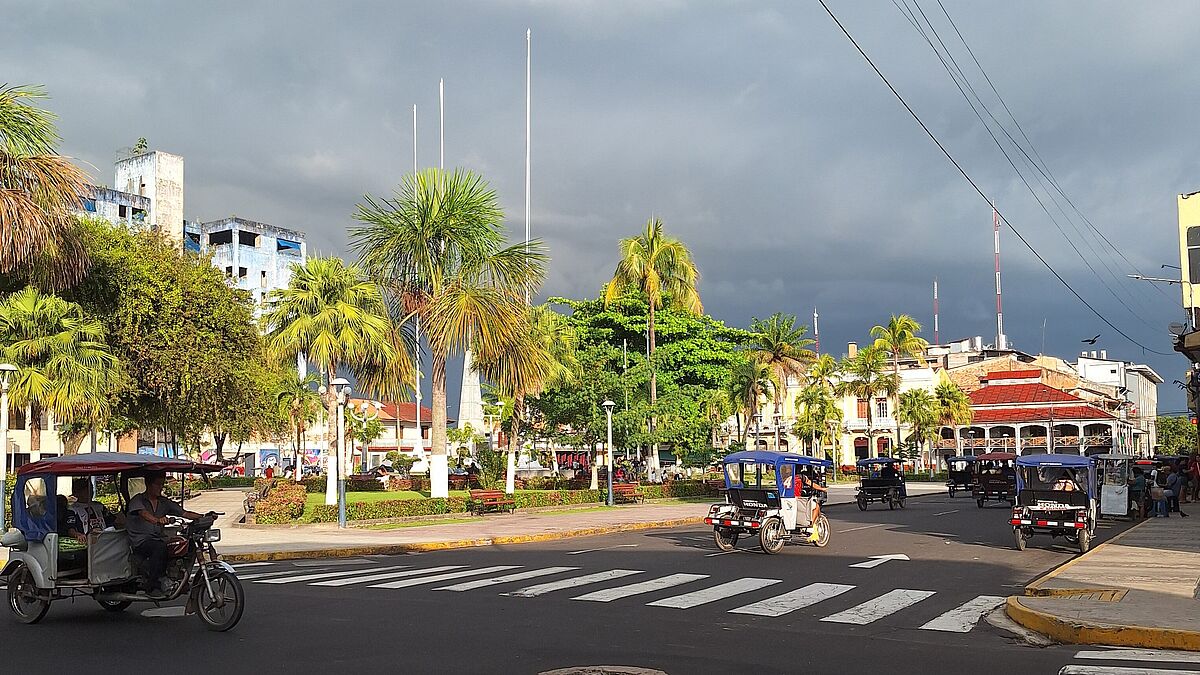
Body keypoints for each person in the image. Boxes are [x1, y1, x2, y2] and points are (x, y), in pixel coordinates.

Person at [127, 472, 207, 595]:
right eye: (158, 484)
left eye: (162, 484)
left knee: (181, 544)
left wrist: (204, 517)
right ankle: (153, 584)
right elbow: (144, 514)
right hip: (141, 541)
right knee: (159, 547)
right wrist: (158, 520)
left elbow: (184, 513)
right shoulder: (138, 500)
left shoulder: (164, 502)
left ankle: (178, 578)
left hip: (158, 538)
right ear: (148, 484)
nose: (161, 487)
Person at [64, 478, 123, 545]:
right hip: (87, 542)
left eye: (91, 488)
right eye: (86, 489)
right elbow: (70, 528)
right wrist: (77, 535)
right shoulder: (72, 509)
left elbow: (112, 521)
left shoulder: (99, 506)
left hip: (105, 540)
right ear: (77, 492)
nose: (90, 491)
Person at [794, 468, 828, 543]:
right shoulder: (800, 476)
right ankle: (810, 526)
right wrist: (822, 489)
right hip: (796, 499)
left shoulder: (783, 476)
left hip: (784, 499)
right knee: (816, 506)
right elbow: (810, 483)